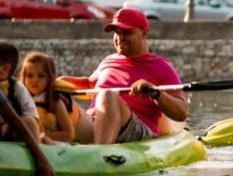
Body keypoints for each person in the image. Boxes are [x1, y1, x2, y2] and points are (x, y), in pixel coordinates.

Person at [60, 7, 188, 144]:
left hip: (138, 131)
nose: (120, 38)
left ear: (144, 33)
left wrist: (156, 93)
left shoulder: (161, 67)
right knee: (59, 99)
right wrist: (58, 83)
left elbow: (181, 112)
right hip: (94, 121)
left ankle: (99, 152)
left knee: (107, 95)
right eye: (117, 32)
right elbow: (89, 86)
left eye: (126, 32)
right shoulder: (108, 60)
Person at [0, 40, 41, 142]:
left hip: (12, 133)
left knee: (29, 121)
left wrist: (8, 125)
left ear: (4, 68)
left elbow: (32, 116)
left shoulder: (16, 87)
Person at [21, 51, 76, 145]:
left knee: (44, 141)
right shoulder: (21, 99)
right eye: (30, 76)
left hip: (53, 143)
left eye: (41, 76)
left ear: (49, 78)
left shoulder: (55, 102)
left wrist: (41, 135)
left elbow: (69, 134)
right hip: (28, 142)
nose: (35, 80)